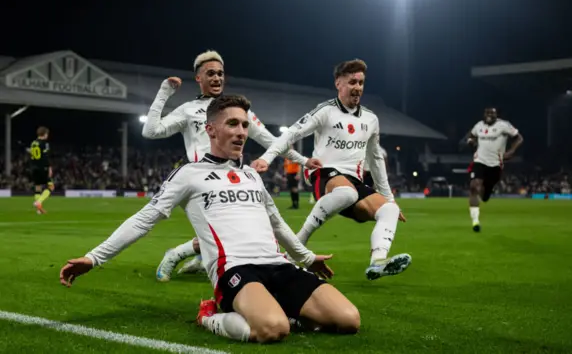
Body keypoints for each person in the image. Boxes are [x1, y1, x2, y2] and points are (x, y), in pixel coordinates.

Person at [59, 95, 360, 343]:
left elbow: (277, 224)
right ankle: (209, 316)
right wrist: (93, 258)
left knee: (348, 320)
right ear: (211, 130)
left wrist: (306, 259)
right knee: (273, 329)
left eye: (245, 124)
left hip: (278, 265)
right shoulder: (189, 175)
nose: (242, 132)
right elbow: (143, 220)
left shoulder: (252, 175)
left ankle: (278, 308)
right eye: (232, 123)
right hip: (235, 270)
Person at [141, 50, 319, 281]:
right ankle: (177, 255)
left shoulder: (238, 111)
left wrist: (304, 161)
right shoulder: (188, 109)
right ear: (199, 78)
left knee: (241, 231)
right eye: (211, 74)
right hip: (202, 181)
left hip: (235, 178)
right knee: (230, 233)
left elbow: (271, 141)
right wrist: (164, 92)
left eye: (220, 74)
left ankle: (198, 257)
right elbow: (151, 131)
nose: (217, 78)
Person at [252, 59, 411, 281]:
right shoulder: (325, 111)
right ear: (338, 83)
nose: (357, 87)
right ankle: (296, 245)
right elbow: (291, 134)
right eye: (352, 82)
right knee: (348, 193)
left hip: (353, 183)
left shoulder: (371, 119)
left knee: (389, 211)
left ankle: (378, 262)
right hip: (323, 174)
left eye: (361, 83)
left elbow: (375, 159)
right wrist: (266, 158)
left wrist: (389, 199)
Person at [465, 107, 524, 232]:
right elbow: (471, 136)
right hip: (479, 161)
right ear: (483, 114)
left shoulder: (504, 125)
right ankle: (475, 221)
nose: (489, 115)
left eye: (492, 113)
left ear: (496, 115)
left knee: (485, 196)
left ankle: (484, 194)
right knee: (474, 186)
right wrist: (470, 141)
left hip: (495, 164)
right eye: (487, 113)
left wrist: (511, 151)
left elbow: (519, 138)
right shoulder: (479, 125)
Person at [30, 126, 54, 214]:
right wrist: (49, 168)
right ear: (45, 134)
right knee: (51, 186)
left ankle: (39, 210)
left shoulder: (33, 143)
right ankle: (38, 202)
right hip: (42, 167)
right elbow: (46, 156)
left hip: (33, 167)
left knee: (38, 187)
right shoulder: (45, 143)